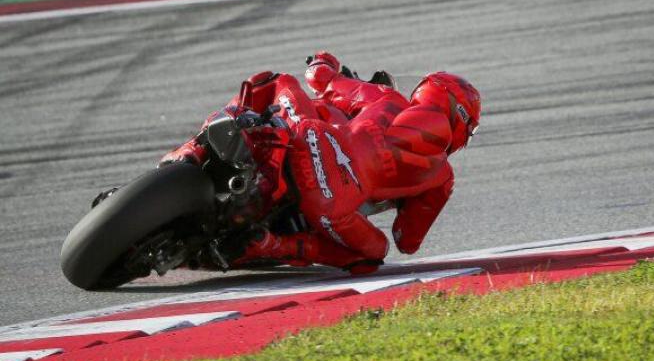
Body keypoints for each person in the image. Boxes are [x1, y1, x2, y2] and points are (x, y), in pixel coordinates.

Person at [161, 52, 481, 274]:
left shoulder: (386, 97)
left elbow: (323, 80)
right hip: (335, 205)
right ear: (461, 124)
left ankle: (192, 150)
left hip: (314, 141)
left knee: (275, 81)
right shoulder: (442, 178)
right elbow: (406, 241)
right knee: (372, 254)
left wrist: (323, 61)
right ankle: (269, 244)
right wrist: (402, 196)